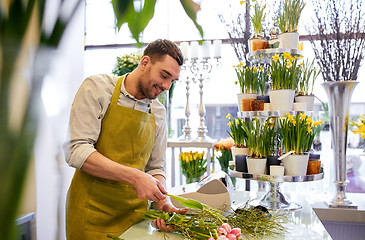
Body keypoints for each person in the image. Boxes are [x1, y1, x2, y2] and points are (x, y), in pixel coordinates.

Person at [65, 39, 186, 239]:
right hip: (90, 214)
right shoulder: (97, 88)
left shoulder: (158, 112)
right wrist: (135, 176)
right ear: (145, 62)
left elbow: (156, 166)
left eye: (172, 80)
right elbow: (77, 150)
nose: (166, 86)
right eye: (164, 75)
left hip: (136, 219)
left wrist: (162, 201)